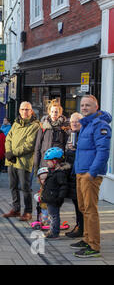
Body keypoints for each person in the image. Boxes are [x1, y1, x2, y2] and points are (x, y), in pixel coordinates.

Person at [72, 95, 111, 258]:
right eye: (82, 105)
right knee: (83, 208)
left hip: (90, 174)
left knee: (90, 209)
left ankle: (93, 245)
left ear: (96, 107)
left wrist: (91, 173)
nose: (84, 108)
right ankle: (87, 238)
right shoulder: (86, 124)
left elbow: (103, 152)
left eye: (88, 105)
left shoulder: (100, 125)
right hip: (81, 172)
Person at [2, 101, 41, 222]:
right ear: (19, 111)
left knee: (25, 187)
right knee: (13, 186)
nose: (25, 111)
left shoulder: (35, 126)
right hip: (11, 160)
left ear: (31, 111)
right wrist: (8, 152)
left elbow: (29, 145)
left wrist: (13, 153)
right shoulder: (15, 124)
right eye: (23, 109)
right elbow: (8, 138)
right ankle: (16, 209)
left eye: (27, 109)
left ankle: (28, 211)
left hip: (24, 161)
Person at [40, 147, 70, 239]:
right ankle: (52, 230)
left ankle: (54, 232)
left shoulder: (60, 173)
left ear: (55, 161)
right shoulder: (51, 172)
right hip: (50, 198)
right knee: (52, 216)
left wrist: (60, 198)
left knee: (54, 216)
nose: (47, 163)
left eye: (48, 161)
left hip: (55, 198)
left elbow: (63, 186)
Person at [33, 100, 69, 175]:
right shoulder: (43, 126)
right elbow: (38, 147)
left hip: (58, 163)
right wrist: (36, 166)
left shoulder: (64, 127)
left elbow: (66, 146)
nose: (54, 114)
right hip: (44, 163)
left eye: (56, 112)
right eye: (52, 111)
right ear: (49, 112)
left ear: (60, 113)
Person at [64, 112, 84, 238]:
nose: (74, 123)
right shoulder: (70, 135)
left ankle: (81, 227)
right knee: (76, 202)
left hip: (79, 172)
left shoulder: (82, 135)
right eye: (72, 121)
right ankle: (78, 225)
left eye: (77, 121)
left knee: (80, 203)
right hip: (71, 173)